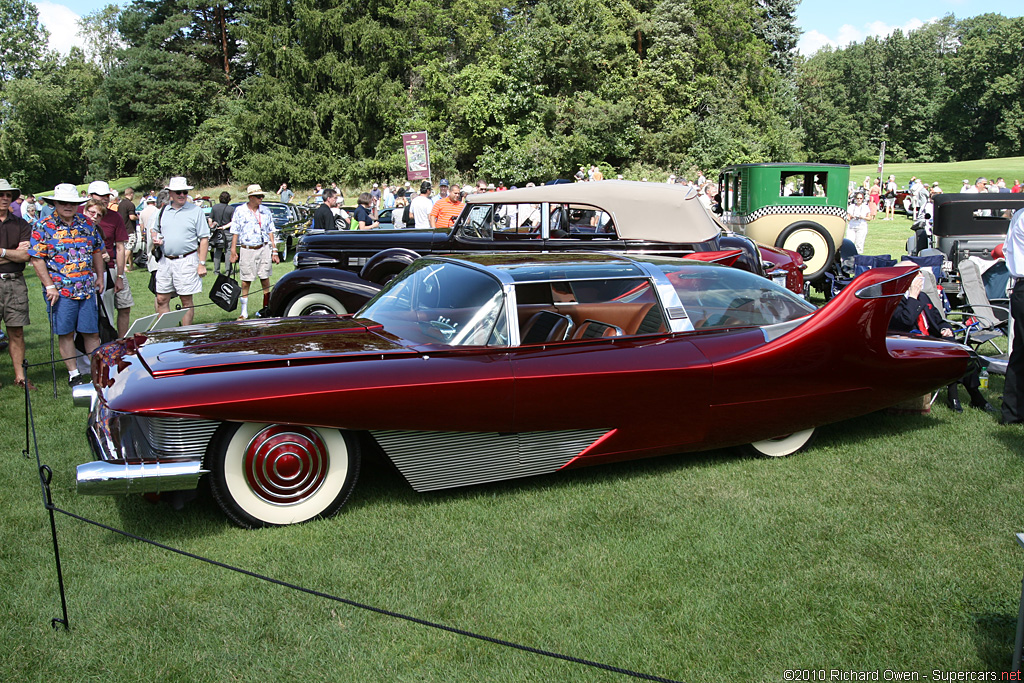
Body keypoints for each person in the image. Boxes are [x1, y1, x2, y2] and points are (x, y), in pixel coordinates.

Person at [28, 183, 106, 387]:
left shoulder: (87, 223)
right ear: (55, 203)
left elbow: (97, 250)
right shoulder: (43, 225)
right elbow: (37, 258)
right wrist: (49, 286)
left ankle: (97, 372)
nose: (68, 206)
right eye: (63, 202)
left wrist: (100, 276)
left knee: (92, 332)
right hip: (60, 290)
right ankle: (74, 374)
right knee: (66, 333)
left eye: (72, 203)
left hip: (86, 287)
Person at [889, 265, 991, 413]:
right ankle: (967, 396)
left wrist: (946, 328)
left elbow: (938, 319)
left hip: (933, 341)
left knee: (959, 350)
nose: (920, 278)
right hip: (911, 346)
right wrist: (912, 297)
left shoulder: (923, 296)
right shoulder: (893, 299)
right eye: (917, 275)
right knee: (954, 352)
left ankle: (960, 396)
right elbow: (904, 322)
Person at [150, 176, 208, 327]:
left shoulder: (196, 211)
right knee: (161, 298)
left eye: (184, 192)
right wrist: (155, 238)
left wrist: (201, 263)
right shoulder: (163, 210)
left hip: (187, 260)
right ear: (171, 193)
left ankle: (186, 333)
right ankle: (167, 335)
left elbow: (204, 238)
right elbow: (154, 230)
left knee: (186, 300)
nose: (182, 195)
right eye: (178, 192)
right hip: (165, 260)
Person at [0, 179, 35, 390]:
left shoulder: (21, 224)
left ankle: (20, 377)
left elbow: (25, 255)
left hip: (14, 283)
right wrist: (13, 253)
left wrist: (3, 252)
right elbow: (19, 253)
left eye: (8, 195)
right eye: (0, 195)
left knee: (17, 331)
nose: (5, 198)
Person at [83, 197, 133, 338]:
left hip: (104, 273)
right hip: (83, 276)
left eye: (98, 215)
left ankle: (112, 343)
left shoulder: (99, 229)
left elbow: (114, 248)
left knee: (107, 313)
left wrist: (119, 275)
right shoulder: (77, 227)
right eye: (92, 213)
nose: (95, 217)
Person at [230, 184, 278, 320]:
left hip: (263, 248)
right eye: (258, 196)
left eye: (262, 196)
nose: (261, 198)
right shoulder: (240, 211)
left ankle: (265, 308)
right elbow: (235, 231)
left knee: (265, 278)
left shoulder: (266, 211)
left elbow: (270, 230)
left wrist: (274, 250)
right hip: (247, 248)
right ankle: (243, 311)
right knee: (246, 280)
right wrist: (233, 250)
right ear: (251, 197)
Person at [1001, 207, 1024, 425]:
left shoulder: (1019, 215)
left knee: (1020, 353)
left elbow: (1006, 249)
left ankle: (1013, 410)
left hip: (1020, 288)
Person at [209, 191, 234, 275]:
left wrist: (212, 226)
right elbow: (233, 222)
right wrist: (224, 227)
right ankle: (228, 270)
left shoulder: (215, 207)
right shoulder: (230, 209)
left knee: (217, 251)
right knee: (228, 251)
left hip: (217, 232)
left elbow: (210, 219)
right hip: (227, 232)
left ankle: (216, 271)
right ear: (229, 199)